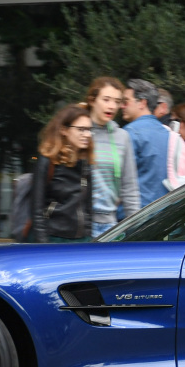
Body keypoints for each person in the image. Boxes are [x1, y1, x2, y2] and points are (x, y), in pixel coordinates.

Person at [83, 77, 140, 236]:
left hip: (110, 226)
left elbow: (130, 188)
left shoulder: (122, 137)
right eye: (106, 99)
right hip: (81, 225)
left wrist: (135, 229)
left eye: (117, 101)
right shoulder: (80, 133)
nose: (112, 106)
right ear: (92, 100)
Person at [30, 106, 94, 243]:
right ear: (64, 130)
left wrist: (88, 236)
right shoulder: (48, 160)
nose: (87, 134)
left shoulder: (85, 163)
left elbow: (87, 207)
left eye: (89, 130)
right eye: (81, 129)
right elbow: (36, 209)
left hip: (82, 240)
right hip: (54, 238)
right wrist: (43, 245)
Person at [121, 78, 172, 206]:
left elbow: (119, 180)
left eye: (126, 101)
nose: (122, 106)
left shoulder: (129, 133)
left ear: (142, 103)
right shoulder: (169, 134)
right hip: (166, 213)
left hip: (135, 216)